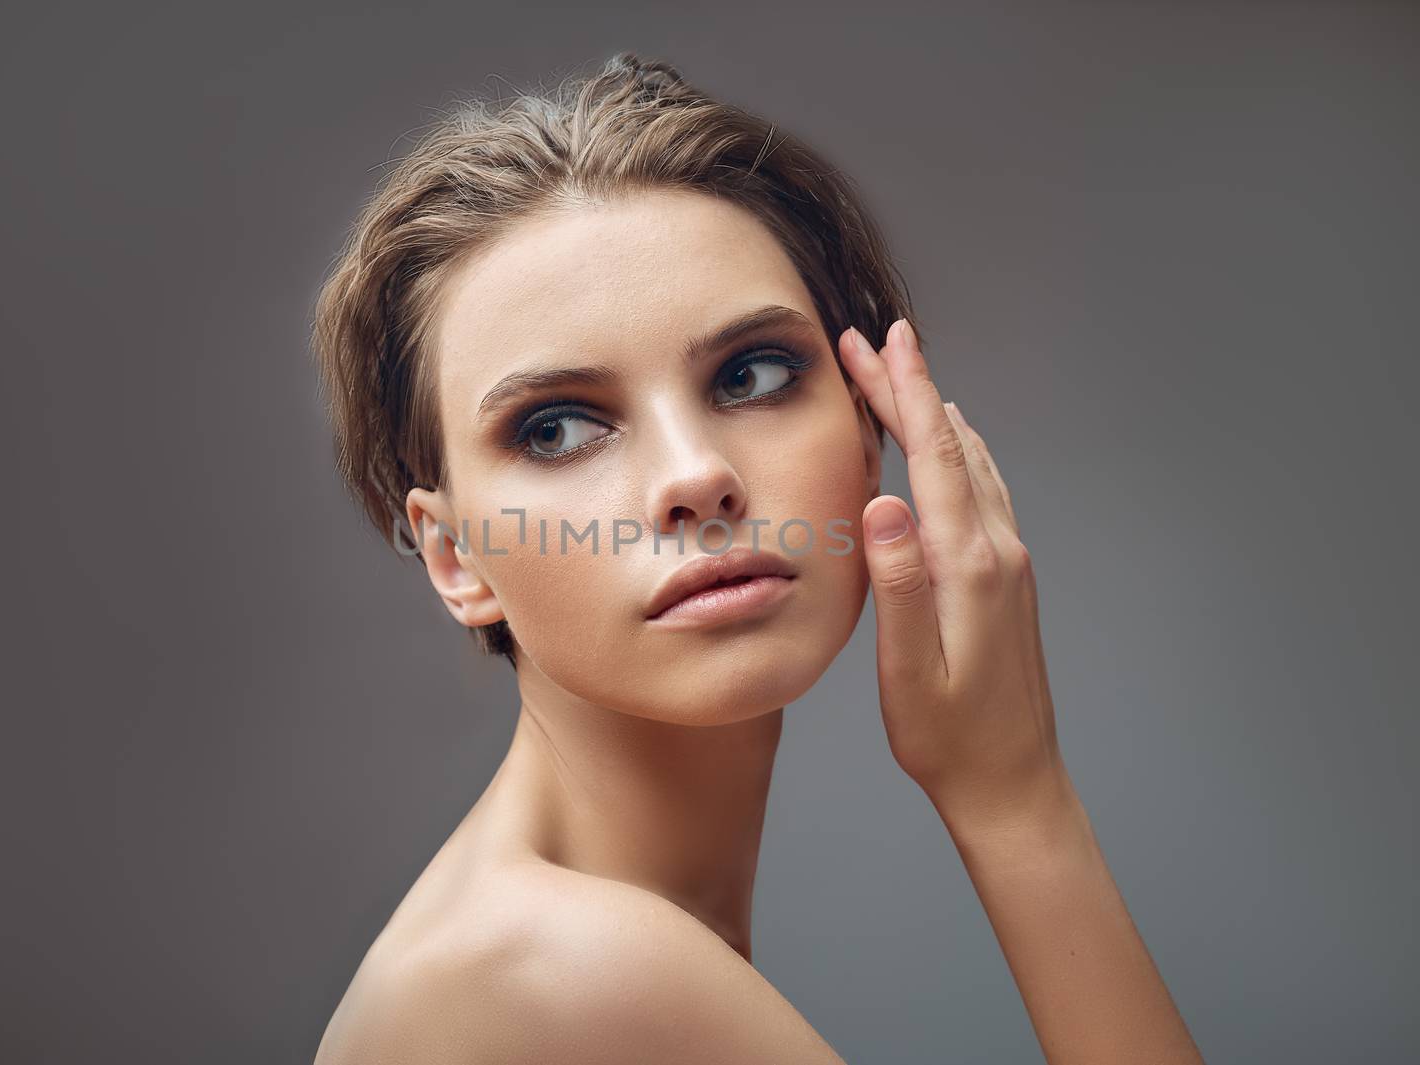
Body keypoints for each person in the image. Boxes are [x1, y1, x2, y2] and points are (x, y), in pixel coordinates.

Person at [309, 51, 1205, 1065]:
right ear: (454, 555)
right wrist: (1016, 802)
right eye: (556, 429)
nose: (696, 476)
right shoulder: (560, 977)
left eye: (754, 373)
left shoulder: (553, 935)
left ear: (871, 425)